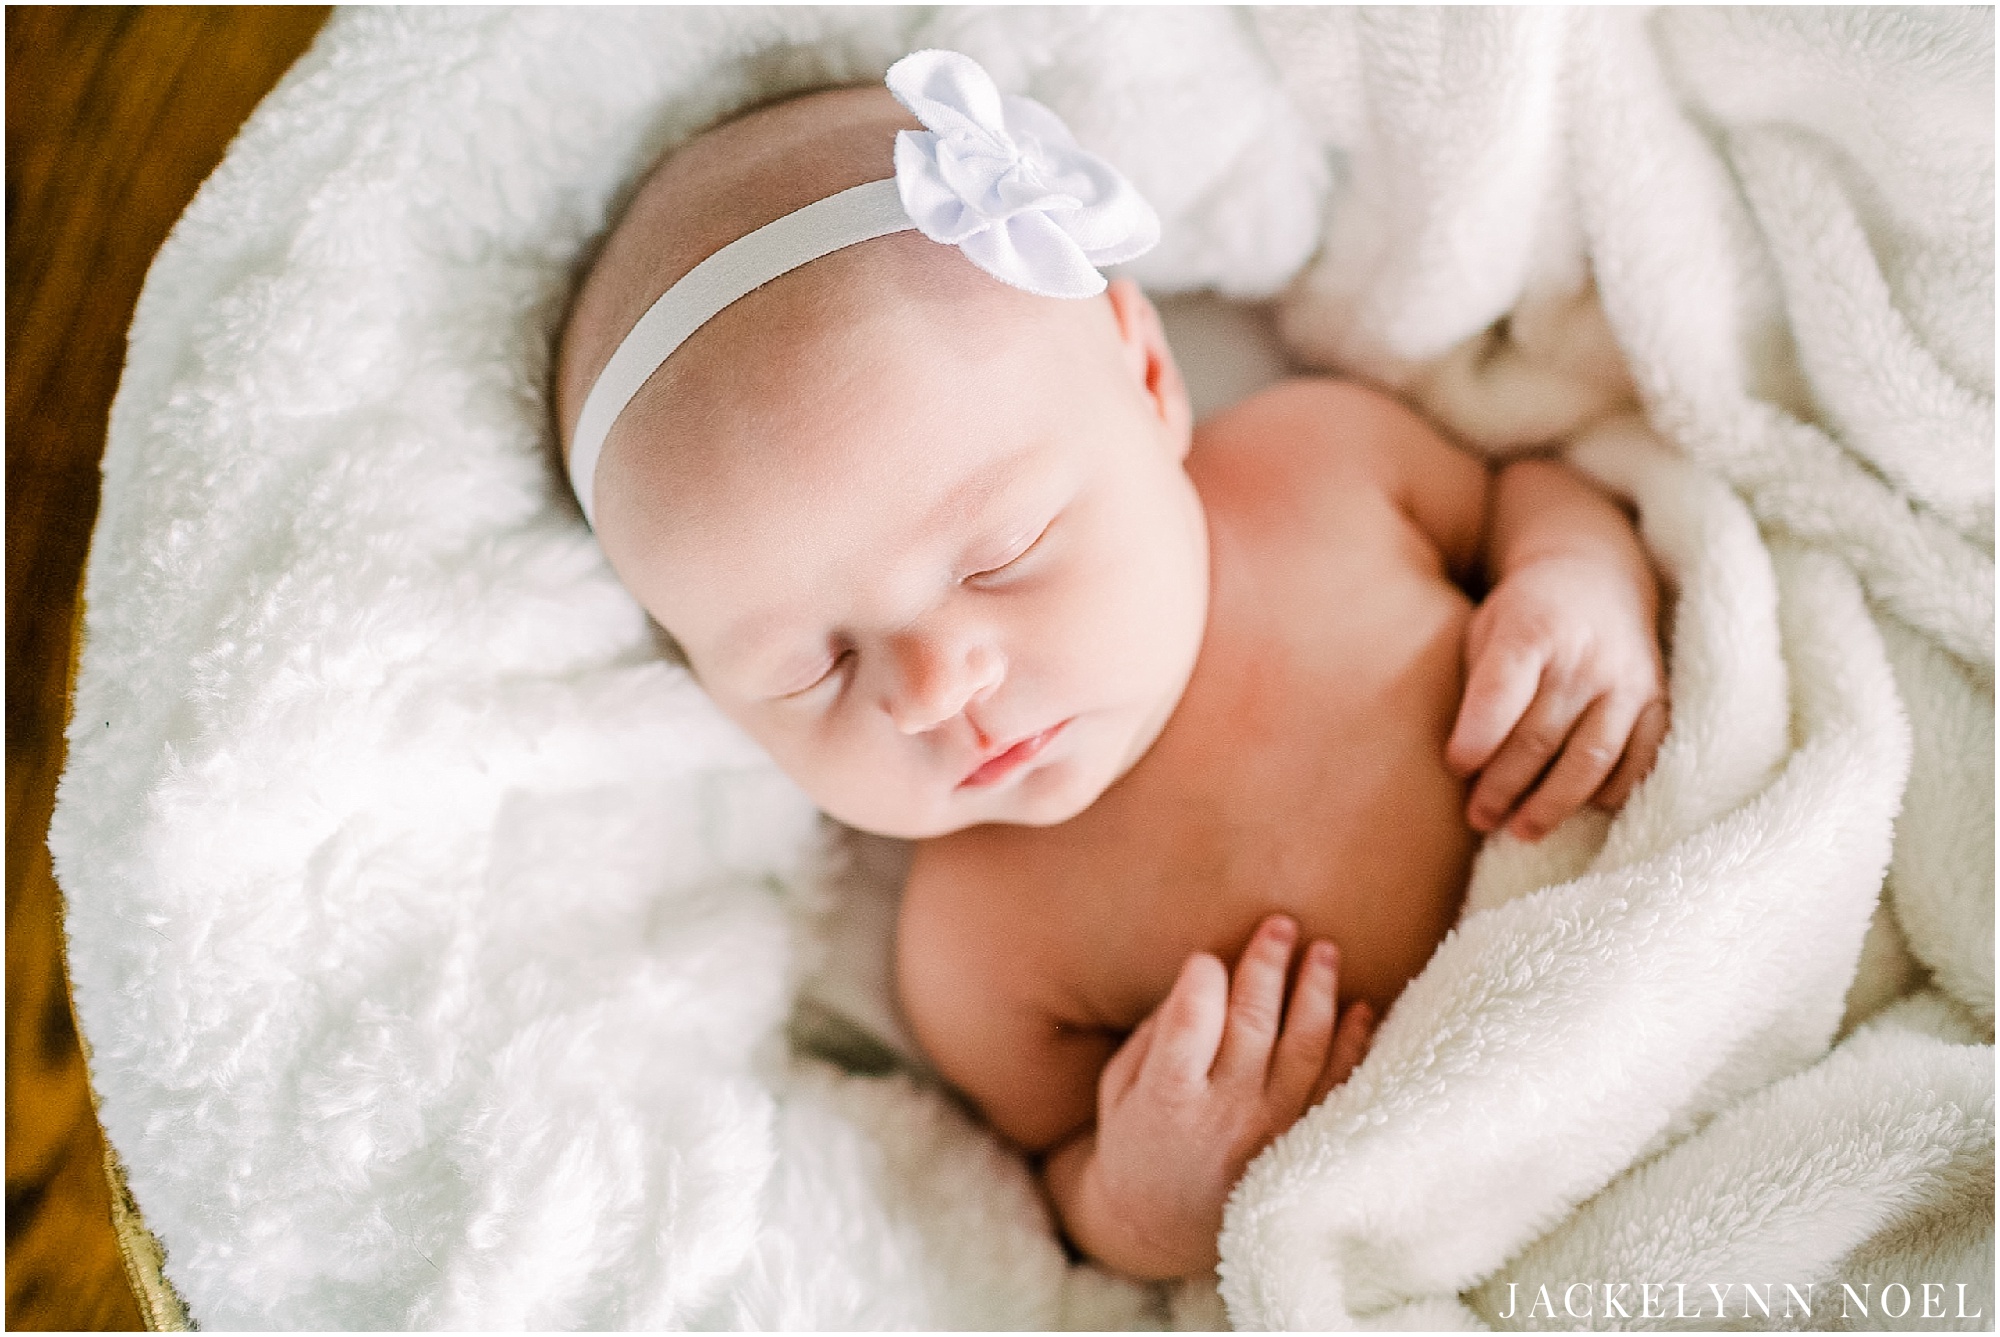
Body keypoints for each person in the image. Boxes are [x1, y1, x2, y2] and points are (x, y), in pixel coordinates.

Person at [554, 51, 1667, 1281]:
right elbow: (1064, 1186)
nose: (936, 687)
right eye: (807, 670)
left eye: (1005, 552)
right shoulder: (976, 952)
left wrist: (1578, 586)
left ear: (1147, 376)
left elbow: (1523, 494)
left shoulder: (1316, 468)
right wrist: (1145, 1197)